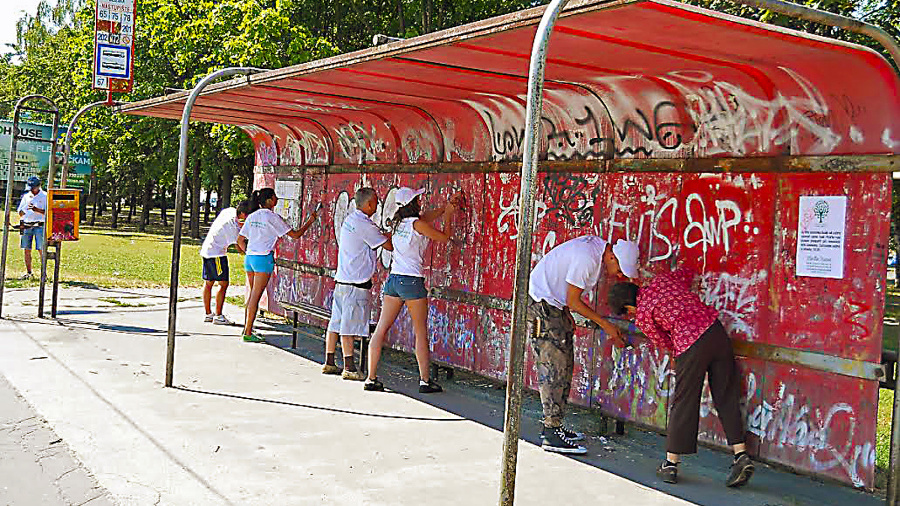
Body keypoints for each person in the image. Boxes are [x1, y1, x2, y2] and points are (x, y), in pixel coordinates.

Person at [607, 267, 754, 487]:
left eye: (628, 312)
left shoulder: (644, 315)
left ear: (629, 306)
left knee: (684, 400)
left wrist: (676, 354)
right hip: (716, 331)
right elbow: (686, 273)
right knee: (725, 394)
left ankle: (670, 464)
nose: (631, 315)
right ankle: (740, 455)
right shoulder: (662, 281)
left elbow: (663, 341)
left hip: (690, 343)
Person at [527, 236, 639, 455]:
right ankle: (551, 432)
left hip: (553, 306)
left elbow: (567, 295)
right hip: (543, 306)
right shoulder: (587, 258)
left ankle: (555, 426)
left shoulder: (595, 250)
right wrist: (605, 325)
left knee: (565, 364)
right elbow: (573, 300)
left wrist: (566, 314)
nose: (619, 276)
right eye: (620, 270)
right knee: (553, 368)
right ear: (612, 256)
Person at [364, 187, 463, 394]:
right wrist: (448, 216)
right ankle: (425, 381)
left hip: (394, 280)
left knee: (381, 329)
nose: (420, 201)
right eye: (418, 199)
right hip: (412, 281)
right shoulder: (417, 224)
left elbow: (426, 216)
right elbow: (444, 237)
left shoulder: (399, 223)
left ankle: (371, 378)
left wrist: (445, 207)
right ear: (413, 203)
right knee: (420, 333)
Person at [324, 187, 393, 381]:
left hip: (342, 280)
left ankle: (329, 361)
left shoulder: (350, 219)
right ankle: (350, 367)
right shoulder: (365, 224)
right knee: (349, 326)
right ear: (369, 203)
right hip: (356, 283)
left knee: (336, 322)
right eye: (376, 202)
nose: (378, 205)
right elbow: (387, 245)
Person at [237, 188, 319, 343]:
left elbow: (240, 240)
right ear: (269, 200)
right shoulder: (273, 217)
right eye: (275, 197)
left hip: (250, 259)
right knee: (255, 297)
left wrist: (249, 252)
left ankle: (247, 327)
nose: (277, 199)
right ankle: (248, 333)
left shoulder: (252, 216)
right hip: (263, 259)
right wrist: (310, 221)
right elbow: (295, 235)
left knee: (251, 296)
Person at [200, 200, 252, 325]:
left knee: (208, 283)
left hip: (207, 250)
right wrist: (250, 253)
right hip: (217, 254)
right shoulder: (231, 227)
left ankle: (208, 314)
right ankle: (218, 316)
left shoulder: (229, 211)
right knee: (223, 284)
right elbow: (239, 246)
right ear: (244, 215)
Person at [17, 176, 46, 280]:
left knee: (41, 249)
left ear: (39, 186)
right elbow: (19, 212)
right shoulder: (26, 196)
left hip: (40, 225)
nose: (31, 190)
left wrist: (36, 209)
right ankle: (29, 272)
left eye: (33, 187)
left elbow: (48, 213)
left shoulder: (45, 196)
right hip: (27, 225)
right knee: (26, 249)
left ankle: (44, 274)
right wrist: (23, 211)